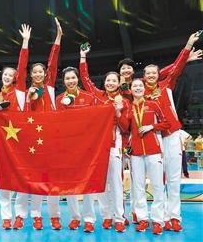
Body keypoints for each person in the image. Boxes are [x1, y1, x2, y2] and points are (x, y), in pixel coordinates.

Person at [143, 31, 200, 232]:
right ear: (143, 77)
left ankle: (174, 217)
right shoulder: (139, 93)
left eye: (154, 72)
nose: (151, 75)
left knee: (174, 179)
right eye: (147, 73)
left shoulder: (167, 84)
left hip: (172, 135)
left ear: (159, 74)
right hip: (153, 138)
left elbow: (175, 68)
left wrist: (187, 45)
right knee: (158, 181)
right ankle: (159, 219)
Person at [79, 45, 128, 232]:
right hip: (98, 147)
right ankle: (106, 216)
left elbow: (125, 126)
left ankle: (118, 218)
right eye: (108, 81)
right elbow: (86, 80)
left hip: (115, 145)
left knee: (116, 183)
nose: (110, 83)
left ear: (118, 83)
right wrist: (83, 58)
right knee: (100, 182)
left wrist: (118, 110)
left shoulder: (124, 100)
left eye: (114, 81)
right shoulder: (98, 97)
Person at [23, 17, 62, 231]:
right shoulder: (28, 92)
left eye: (41, 71)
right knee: (37, 178)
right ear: (30, 75)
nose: (38, 74)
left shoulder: (49, 86)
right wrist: (30, 99)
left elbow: (53, 61)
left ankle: (54, 215)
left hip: (51, 137)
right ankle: (36, 215)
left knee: (53, 177)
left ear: (45, 74)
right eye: (35, 72)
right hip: (34, 140)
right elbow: (27, 117)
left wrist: (58, 37)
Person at [117, 78, 170, 235]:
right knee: (138, 187)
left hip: (153, 150)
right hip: (136, 152)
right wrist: (119, 112)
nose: (138, 88)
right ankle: (143, 219)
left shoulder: (153, 105)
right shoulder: (129, 107)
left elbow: (166, 123)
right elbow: (124, 127)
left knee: (158, 186)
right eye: (135, 86)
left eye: (140, 86)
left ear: (144, 88)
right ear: (131, 90)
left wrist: (151, 126)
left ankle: (158, 220)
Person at [0, 24, 31, 230]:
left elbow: (23, 65)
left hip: (21, 140)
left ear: (15, 77)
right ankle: (6, 216)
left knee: (22, 178)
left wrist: (24, 42)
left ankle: (20, 215)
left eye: (11, 75)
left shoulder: (20, 91)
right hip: (3, 143)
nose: (8, 77)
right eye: (5, 75)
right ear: (2, 77)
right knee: (4, 179)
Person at [55, 66, 97, 233]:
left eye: (73, 78)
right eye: (67, 79)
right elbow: (56, 123)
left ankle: (89, 219)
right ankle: (74, 217)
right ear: (63, 81)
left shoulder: (89, 97)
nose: (70, 81)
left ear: (77, 79)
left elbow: (96, 119)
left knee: (87, 184)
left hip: (86, 147)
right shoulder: (59, 100)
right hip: (67, 148)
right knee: (70, 184)